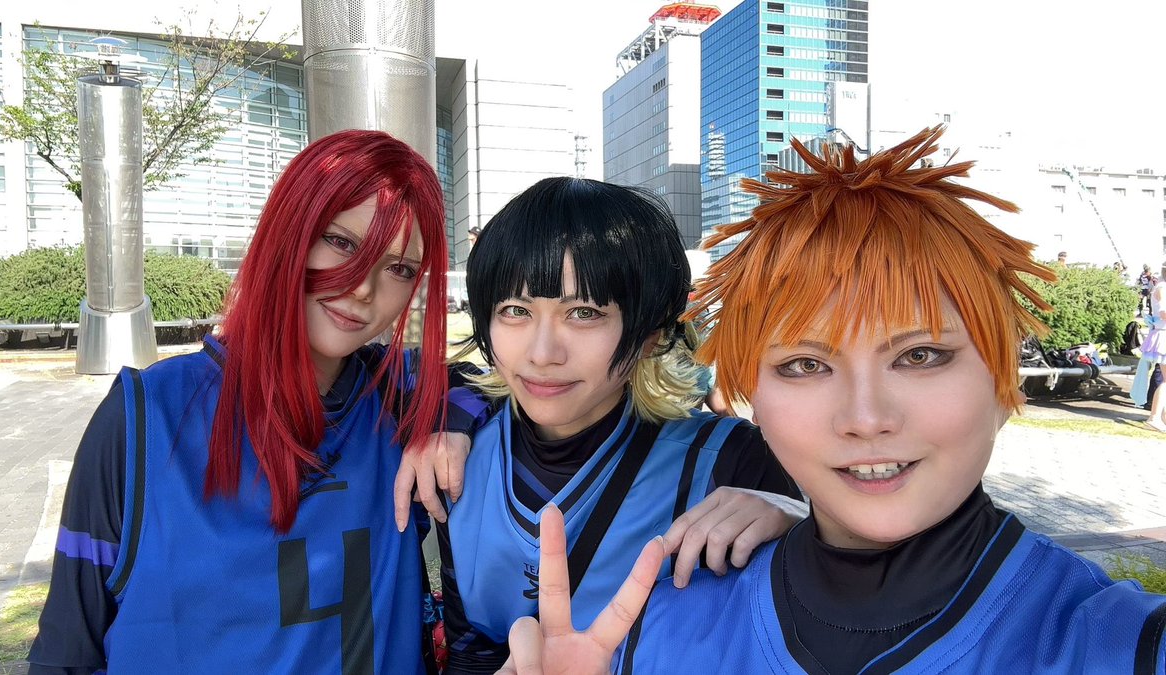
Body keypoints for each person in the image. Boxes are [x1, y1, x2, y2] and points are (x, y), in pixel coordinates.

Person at [495, 127, 1166, 674]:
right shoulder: (660, 630)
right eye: (806, 364)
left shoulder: (1120, 645)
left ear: (1002, 378)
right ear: (751, 396)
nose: (866, 418)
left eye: (920, 356)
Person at [28, 130, 450, 673]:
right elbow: (66, 652)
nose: (364, 288)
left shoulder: (401, 405)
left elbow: (508, 388)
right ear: (289, 230)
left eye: (399, 269)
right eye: (342, 243)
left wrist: (459, 425)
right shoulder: (145, 419)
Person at [396, 177, 804, 673]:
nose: (542, 353)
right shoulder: (459, 460)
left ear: (652, 333)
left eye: (584, 313)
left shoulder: (732, 464)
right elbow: (471, 652)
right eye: (516, 311)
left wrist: (807, 525)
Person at [1133, 263, 1166, 432]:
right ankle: (1155, 418)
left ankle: (1161, 417)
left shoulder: (1161, 286)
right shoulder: (1162, 287)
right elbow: (1164, 312)